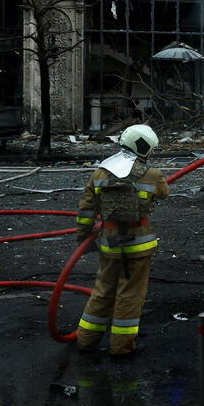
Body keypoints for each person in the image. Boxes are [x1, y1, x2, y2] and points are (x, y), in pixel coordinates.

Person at [75, 124, 169, 357]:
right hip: (138, 246)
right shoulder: (152, 174)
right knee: (130, 295)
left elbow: (86, 209)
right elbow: (163, 192)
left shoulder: (100, 172)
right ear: (143, 146)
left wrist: (84, 236)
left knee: (103, 291)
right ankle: (122, 347)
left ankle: (86, 341)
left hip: (109, 243)